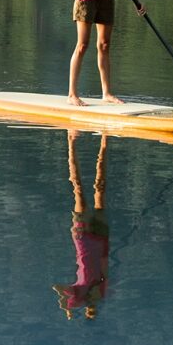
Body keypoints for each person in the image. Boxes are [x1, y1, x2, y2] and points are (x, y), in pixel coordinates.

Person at [53, 130, 110, 321]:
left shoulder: (79, 298)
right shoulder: (101, 294)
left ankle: (71, 142)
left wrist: (67, 309)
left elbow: (57, 287)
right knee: (100, 187)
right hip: (100, 239)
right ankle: (104, 141)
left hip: (84, 237)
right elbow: (106, 269)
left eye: (89, 312)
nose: (90, 310)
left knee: (78, 188)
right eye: (92, 313)